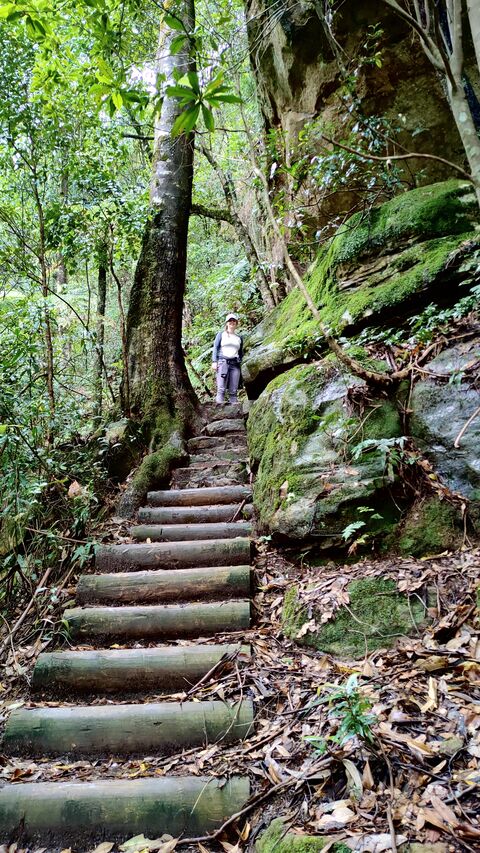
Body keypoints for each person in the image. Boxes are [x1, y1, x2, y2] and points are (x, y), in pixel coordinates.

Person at [212, 313, 243, 404]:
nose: (232, 322)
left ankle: (235, 413)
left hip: (235, 365)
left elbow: (240, 352)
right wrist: (214, 361)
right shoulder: (221, 334)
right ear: (226, 323)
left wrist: (240, 359)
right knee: (221, 389)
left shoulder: (239, 338)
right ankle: (219, 412)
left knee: (233, 390)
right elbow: (215, 348)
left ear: (236, 323)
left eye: (234, 321)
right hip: (223, 362)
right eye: (230, 320)